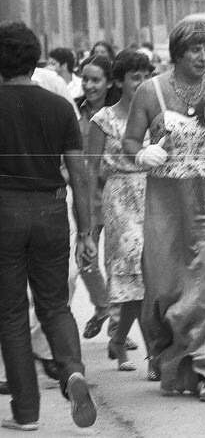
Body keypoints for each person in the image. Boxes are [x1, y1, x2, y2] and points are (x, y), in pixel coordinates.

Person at [123, 20, 205, 402]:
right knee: (164, 285)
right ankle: (167, 354)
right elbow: (130, 139)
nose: (203, 56)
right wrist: (142, 152)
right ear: (177, 53)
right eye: (195, 49)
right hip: (165, 196)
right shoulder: (150, 91)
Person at [0, 21, 97, 430]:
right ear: (34, 58)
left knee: (11, 313)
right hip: (51, 211)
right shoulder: (60, 107)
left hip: (4, 211)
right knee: (55, 304)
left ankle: (26, 412)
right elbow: (79, 174)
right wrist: (87, 231)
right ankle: (72, 369)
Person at [87, 49, 154, 373]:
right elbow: (89, 170)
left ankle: (120, 337)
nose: (141, 83)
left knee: (150, 277)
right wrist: (88, 217)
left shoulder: (157, 115)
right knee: (133, 267)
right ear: (119, 80)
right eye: (134, 77)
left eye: (145, 76)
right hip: (119, 197)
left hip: (153, 195)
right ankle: (152, 352)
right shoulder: (103, 120)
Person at [75, 55, 118, 341]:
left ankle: (118, 328)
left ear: (109, 82)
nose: (89, 85)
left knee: (116, 264)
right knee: (84, 260)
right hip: (83, 196)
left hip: (114, 196)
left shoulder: (120, 112)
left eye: (96, 80)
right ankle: (103, 308)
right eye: (86, 79)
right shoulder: (73, 111)